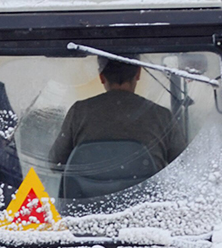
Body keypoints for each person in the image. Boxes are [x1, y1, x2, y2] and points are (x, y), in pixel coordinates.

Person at [48, 57, 187, 173]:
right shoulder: (162, 116)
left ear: (101, 77)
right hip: (148, 204)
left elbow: (56, 163)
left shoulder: (79, 112)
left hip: (88, 204)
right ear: (138, 73)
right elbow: (184, 165)